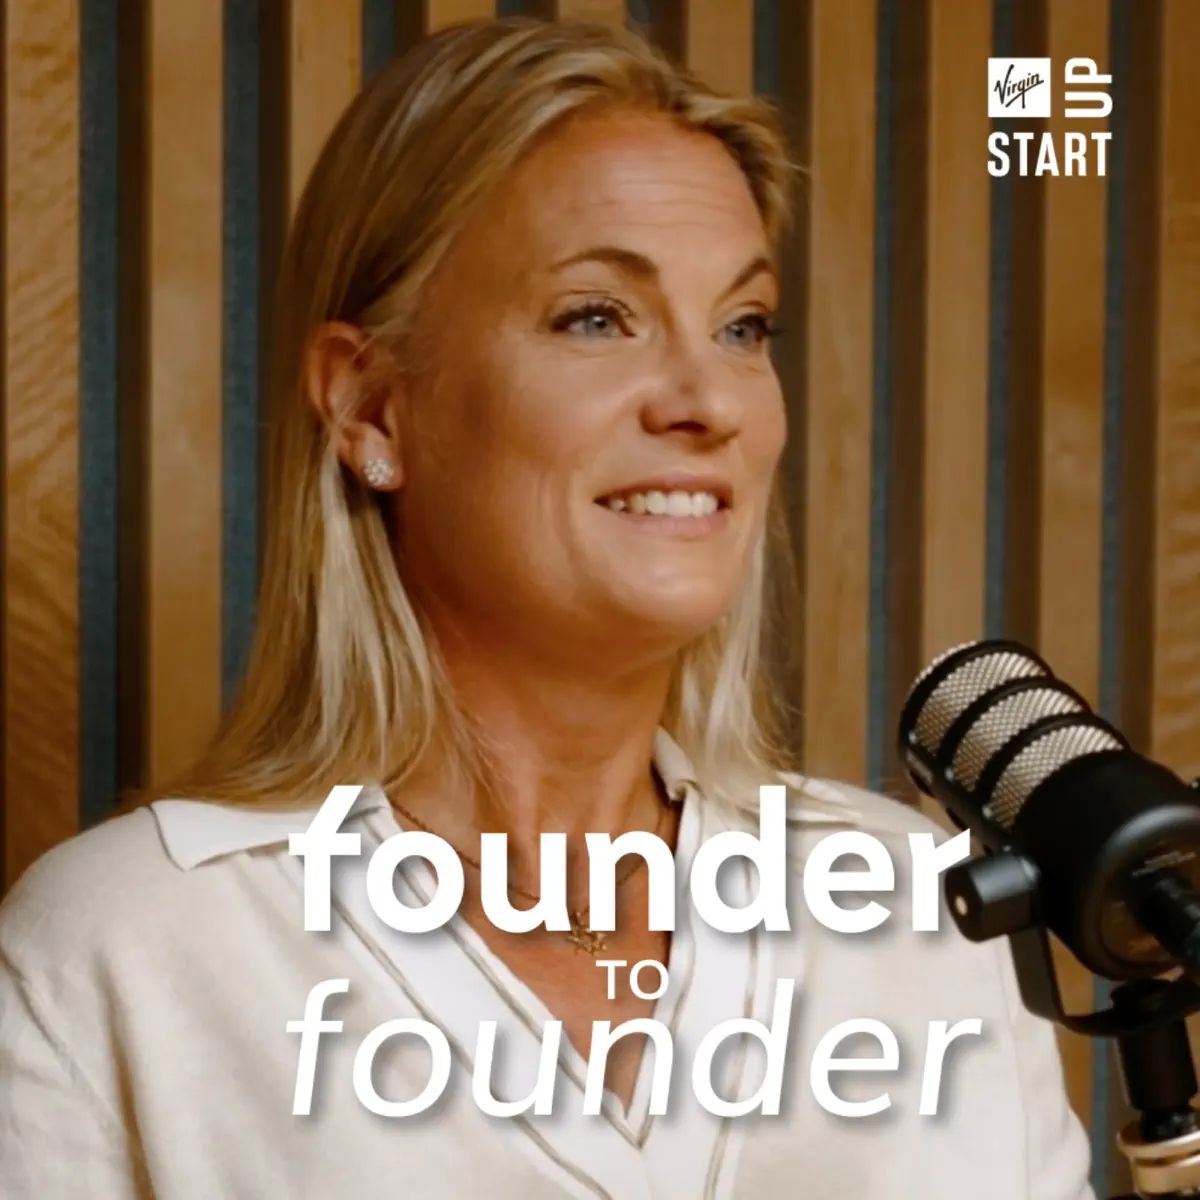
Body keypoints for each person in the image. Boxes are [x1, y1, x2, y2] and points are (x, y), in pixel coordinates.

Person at [0, 16, 1094, 1199]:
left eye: (742, 327)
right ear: (370, 407)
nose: (708, 401)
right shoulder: (125, 949)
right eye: (596, 317)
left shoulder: (926, 907)